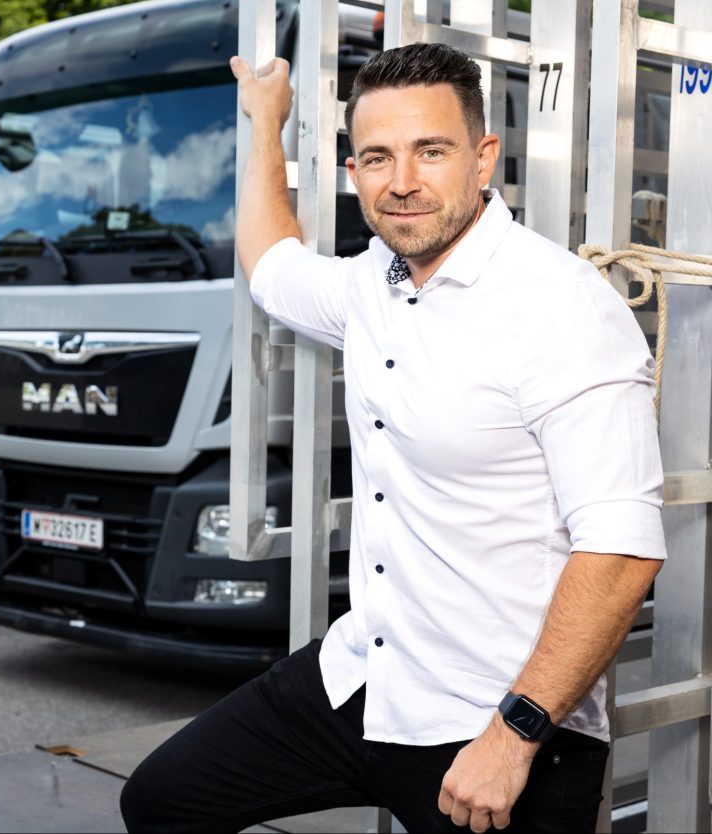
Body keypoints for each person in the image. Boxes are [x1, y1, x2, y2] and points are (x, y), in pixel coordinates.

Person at [120, 42, 665, 834]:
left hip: (501, 722)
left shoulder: (561, 309)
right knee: (164, 802)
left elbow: (620, 551)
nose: (402, 181)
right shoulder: (371, 283)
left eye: (430, 151)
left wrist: (514, 736)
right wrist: (264, 121)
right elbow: (271, 264)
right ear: (353, 174)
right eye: (378, 157)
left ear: (483, 158)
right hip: (364, 679)